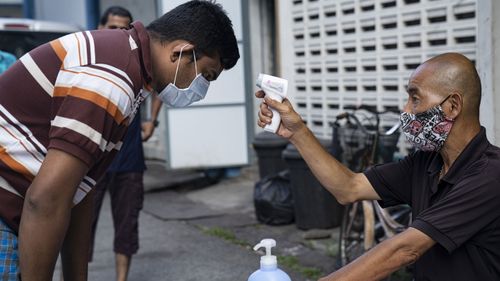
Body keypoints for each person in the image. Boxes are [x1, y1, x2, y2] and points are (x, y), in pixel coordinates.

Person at [0, 1, 239, 280]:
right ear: (181, 52)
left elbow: (79, 189)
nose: (201, 90)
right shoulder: (112, 79)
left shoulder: (127, 67)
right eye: (205, 76)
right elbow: (46, 200)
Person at [256, 53, 500, 281]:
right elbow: (349, 188)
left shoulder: (491, 175)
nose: (406, 110)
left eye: (415, 98)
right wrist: (297, 131)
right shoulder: (426, 163)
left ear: (453, 106)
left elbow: (406, 249)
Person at [83, 6, 162, 281]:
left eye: (125, 28)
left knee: (127, 225)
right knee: (81, 226)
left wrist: (152, 121)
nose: (119, 34)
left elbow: (161, 84)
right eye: (113, 27)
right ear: (101, 28)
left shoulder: (138, 62)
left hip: (129, 159)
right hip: (90, 162)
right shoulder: (90, 61)